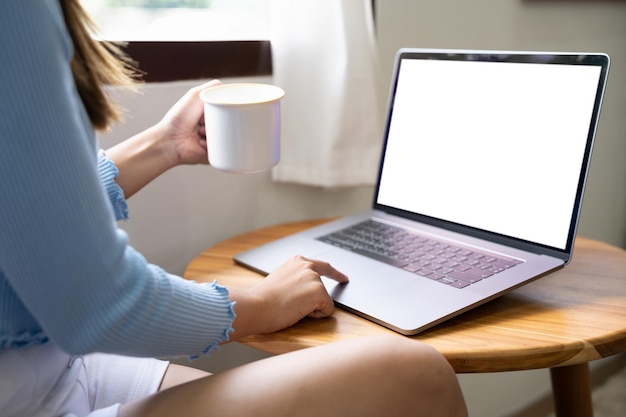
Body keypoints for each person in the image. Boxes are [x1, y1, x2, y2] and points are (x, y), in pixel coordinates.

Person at [0, 1, 468, 417]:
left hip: (57, 365)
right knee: (414, 373)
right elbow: (99, 305)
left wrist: (161, 146)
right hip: (23, 389)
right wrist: (265, 303)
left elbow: (27, 211)